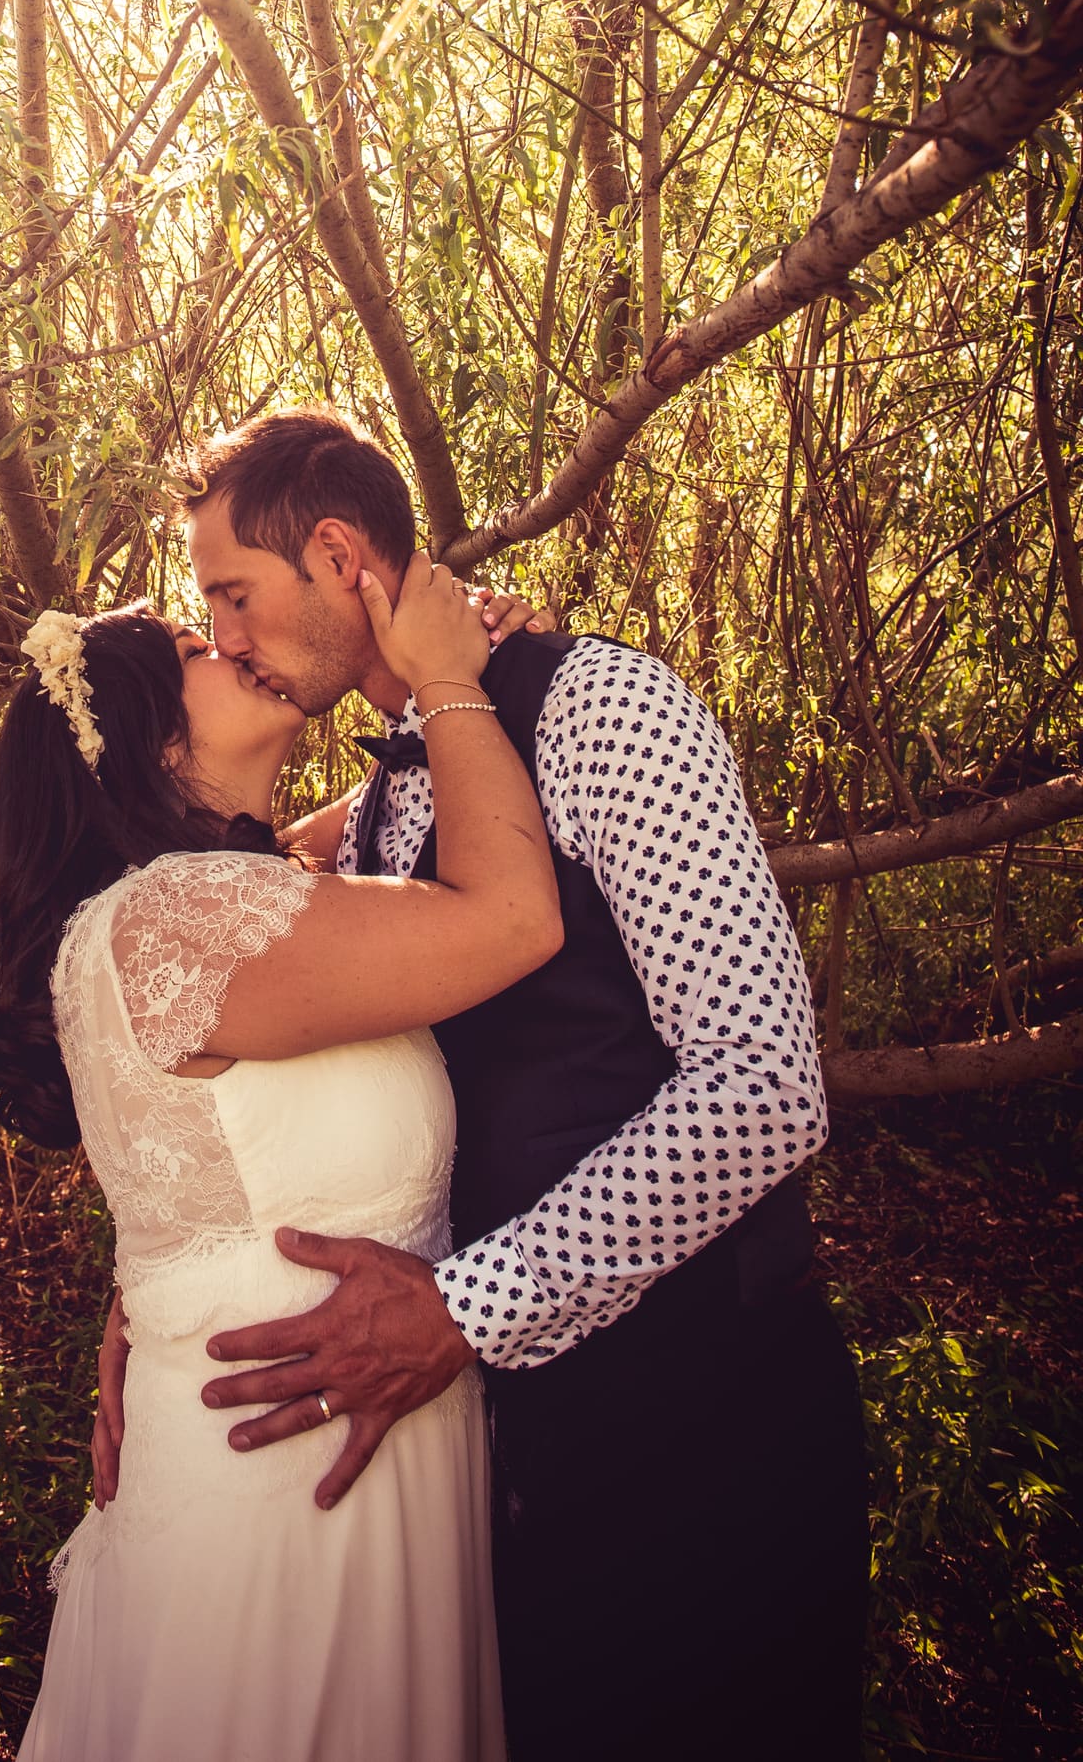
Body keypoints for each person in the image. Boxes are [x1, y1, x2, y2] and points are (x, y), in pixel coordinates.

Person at [110, 406, 868, 1762]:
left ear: (339, 555)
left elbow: (763, 1083)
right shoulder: (381, 796)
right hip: (503, 1464)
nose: (218, 636)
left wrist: (469, 1306)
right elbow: (231, 1052)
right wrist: (159, 1287)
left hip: (707, 1432)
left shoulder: (607, 713)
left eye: (230, 594)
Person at [0, 561, 562, 1762]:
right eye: (195, 642)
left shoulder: (232, 900)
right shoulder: (179, 920)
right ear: (145, 738)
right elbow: (513, 919)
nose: (231, 639)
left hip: (322, 1455)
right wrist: (448, 682)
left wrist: (447, 674)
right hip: (284, 1506)